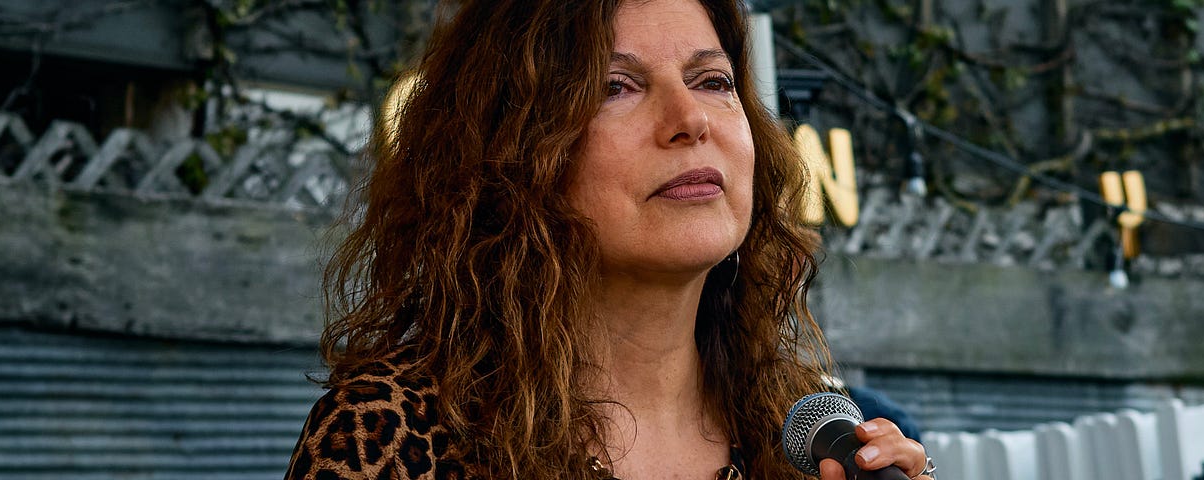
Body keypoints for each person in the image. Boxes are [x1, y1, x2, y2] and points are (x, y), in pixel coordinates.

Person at [285, 0, 933, 478]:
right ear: (511, 153)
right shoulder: (396, 436)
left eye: (713, 81)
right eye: (615, 87)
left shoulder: (808, 434)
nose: (689, 121)